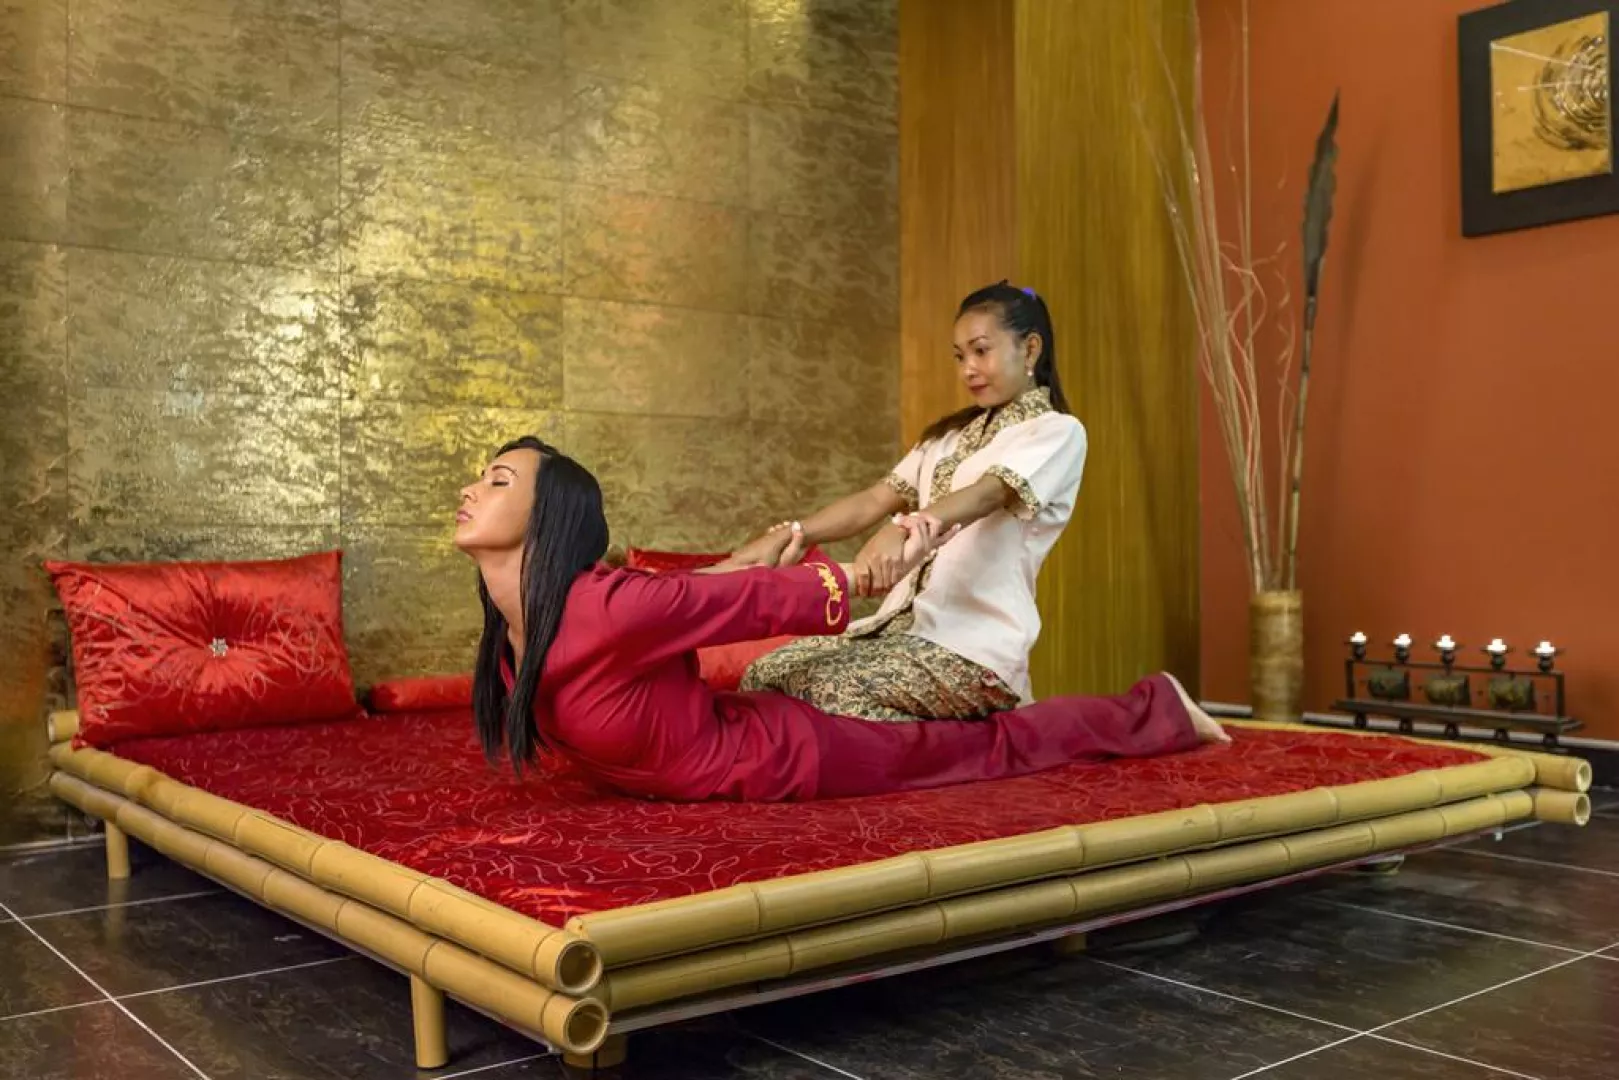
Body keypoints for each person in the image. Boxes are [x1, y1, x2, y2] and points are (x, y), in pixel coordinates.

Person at [453, 436, 1227, 803]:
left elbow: (733, 603)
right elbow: (685, 594)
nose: (470, 490)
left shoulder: (603, 607)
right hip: (729, 745)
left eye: (496, 480)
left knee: (989, 751)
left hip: (784, 757)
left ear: (548, 516)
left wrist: (864, 573)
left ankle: (1153, 710)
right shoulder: (515, 631)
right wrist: (749, 556)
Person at [732, 282, 1086, 722]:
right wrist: (796, 533)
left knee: (826, 689)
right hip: (899, 632)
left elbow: (990, 492)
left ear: (1030, 349)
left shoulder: (1056, 432)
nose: (968, 369)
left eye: (981, 351)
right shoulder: (947, 436)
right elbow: (874, 500)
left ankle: (976, 742)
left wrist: (902, 528)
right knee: (764, 674)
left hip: (973, 649)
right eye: (960, 356)